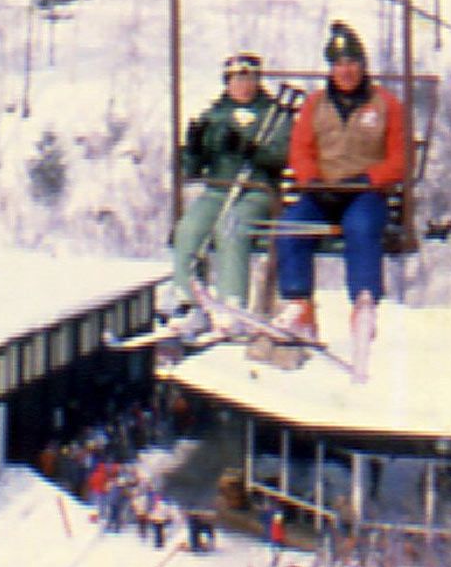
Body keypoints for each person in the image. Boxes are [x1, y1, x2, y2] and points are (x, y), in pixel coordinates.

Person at [274, 20, 408, 367]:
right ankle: (299, 304)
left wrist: (371, 179)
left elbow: (399, 158)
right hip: (324, 190)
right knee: (292, 226)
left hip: (363, 191)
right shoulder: (315, 104)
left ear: (363, 67)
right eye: (338, 65)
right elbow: (300, 150)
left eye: (352, 63)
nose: (345, 72)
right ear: (330, 69)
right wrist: (311, 180)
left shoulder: (385, 105)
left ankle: (363, 304)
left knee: (362, 228)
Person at [169, 52, 293, 329]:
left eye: (249, 79)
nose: (243, 86)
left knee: (231, 227)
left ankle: (231, 304)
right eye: (237, 79)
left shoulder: (274, 115)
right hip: (219, 188)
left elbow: (284, 154)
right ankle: (186, 300)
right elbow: (193, 167)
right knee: (188, 229)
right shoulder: (215, 115)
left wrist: (254, 152)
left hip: (257, 190)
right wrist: (193, 149)